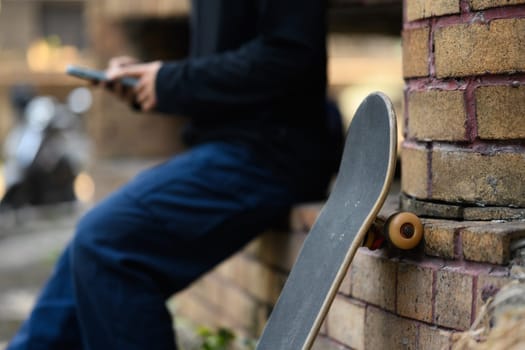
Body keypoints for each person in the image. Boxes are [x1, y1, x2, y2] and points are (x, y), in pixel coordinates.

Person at [7, 0, 342, 349]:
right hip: (228, 144)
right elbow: (233, 57)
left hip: (271, 151)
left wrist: (169, 80)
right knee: (84, 252)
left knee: (107, 244)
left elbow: (291, 58)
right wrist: (154, 79)